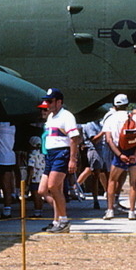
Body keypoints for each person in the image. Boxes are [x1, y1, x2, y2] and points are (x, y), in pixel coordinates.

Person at [39, 88, 79, 233]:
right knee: (43, 190)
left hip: (61, 153)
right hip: (50, 154)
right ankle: (57, 221)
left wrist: (72, 159)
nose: (46, 104)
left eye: (50, 101)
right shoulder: (51, 117)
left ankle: (63, 220)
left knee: (54, 187)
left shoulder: (66, 116)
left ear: (59, 102)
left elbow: (74, 138)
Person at [102, 94, 136, 220]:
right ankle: (132, 211)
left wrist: (120, 155)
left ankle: (110, 210)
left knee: (112, 181)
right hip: (133, 151)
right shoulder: (133, 116)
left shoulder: (110, 118)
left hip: (120, 151)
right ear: (127, 104)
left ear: (115, 105)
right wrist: (135, 154)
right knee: (133, 183)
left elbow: (109, 139)